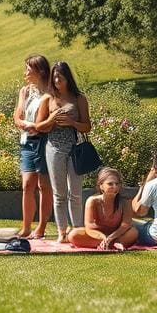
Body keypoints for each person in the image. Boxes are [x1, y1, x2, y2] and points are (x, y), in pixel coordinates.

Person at [44, 61, 91, 242]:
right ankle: (62, 232)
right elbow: (40, 126)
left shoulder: (79, 98)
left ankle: (78, 230)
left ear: (67, 78)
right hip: (54, 148)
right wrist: (52, 119)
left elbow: (87, 126)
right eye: (54, 77)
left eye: (60, 77)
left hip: (74, 148)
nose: (57, 81)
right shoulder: (48, 99)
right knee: (59, 193)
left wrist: (72, 123)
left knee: (76, 192)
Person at [13, 54, 53, 239]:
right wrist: (23, 124)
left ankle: (42, 227)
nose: (25, 73)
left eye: (28, 69)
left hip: (44, 141)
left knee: (44, 185)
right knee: (27, 185)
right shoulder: (25, 91)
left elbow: (42, 122)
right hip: (27, 141)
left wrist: (31, 125)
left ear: (40, 71)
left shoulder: (50, 93)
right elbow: (17, 115)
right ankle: (26, 227)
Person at [68, 167, 138, 250]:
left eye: (117, 184)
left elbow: (126, 225)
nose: (114, 187)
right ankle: (109, 244)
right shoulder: (92, 201)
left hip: (117, 236)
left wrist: (111, 237)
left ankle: (111, 244)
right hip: (97, 235)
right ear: (101, 186)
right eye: (110, 184)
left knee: (134, 232)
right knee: (73, 234)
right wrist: (103, 238)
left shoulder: (125, 202)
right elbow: (89, 226)